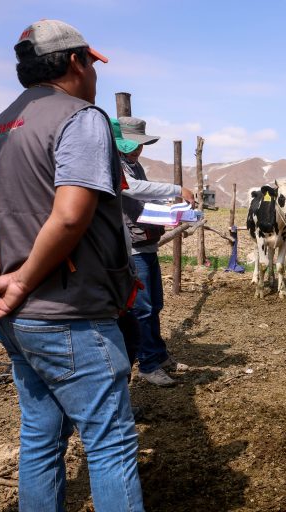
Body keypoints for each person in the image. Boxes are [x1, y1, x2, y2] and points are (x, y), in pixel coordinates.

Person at [0, 20, 144, 511]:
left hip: (16, 317)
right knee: (110, 444)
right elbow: (70, 216)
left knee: (40, 437)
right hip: (70, 312)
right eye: (92, 63)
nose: (95, 74)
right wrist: (22, 280)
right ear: (76, 61)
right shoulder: (81, 118)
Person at [117, 116, 194, 387]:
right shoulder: (116, 165)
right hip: (133, 247)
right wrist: (176, 190)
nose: (138, 149)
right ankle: (148, 364)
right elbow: (134, 190)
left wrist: (171, 209)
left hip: (145, 242)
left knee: (154, 305)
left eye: (140, 145)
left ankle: (158, 356)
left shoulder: (133, 165)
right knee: (143, 308)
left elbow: (144, 197)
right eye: (133, 144)